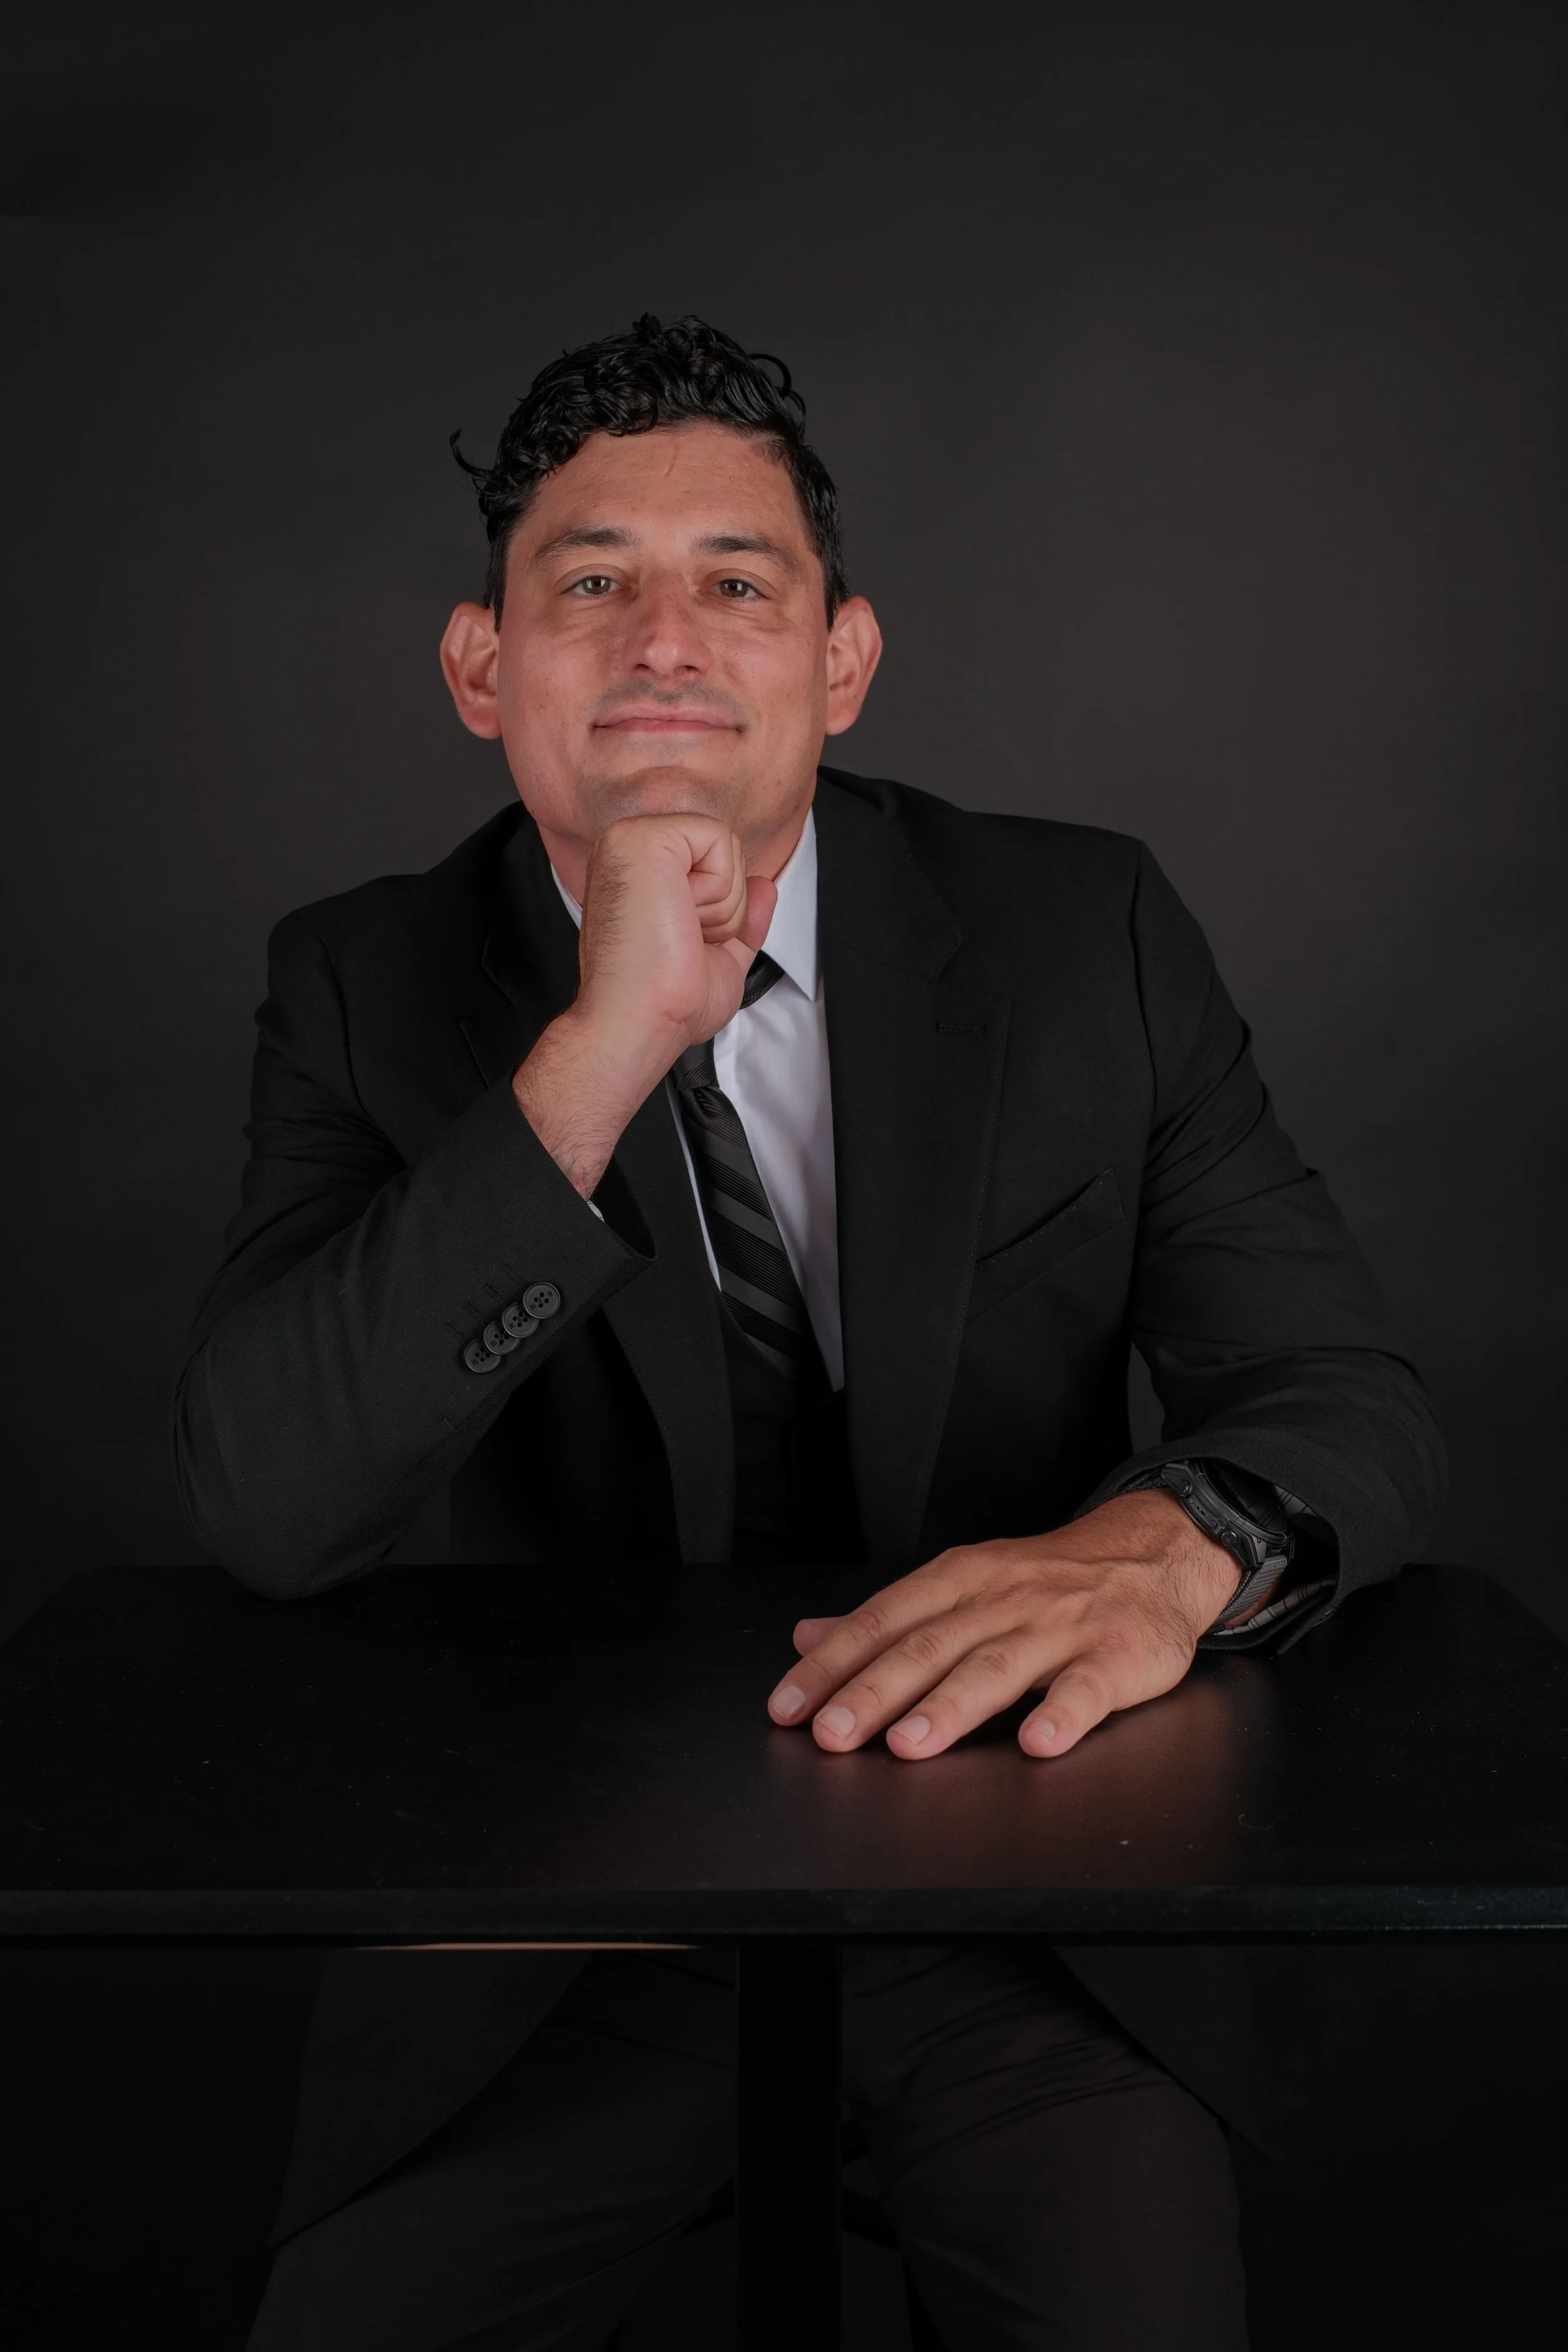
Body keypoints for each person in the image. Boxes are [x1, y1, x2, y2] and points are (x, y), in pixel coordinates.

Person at [176, 315, 1444, 2350]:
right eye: (590, 582)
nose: (663, 639)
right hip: (546, 1913)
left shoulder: (1083, 930)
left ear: (838, 659)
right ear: (482, 667)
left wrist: (1163, 1544)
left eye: (734, 584)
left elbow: (1340, 1393)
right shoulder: (364, 981)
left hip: (1036, 1880)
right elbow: (270, 1497)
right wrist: (596, 1054)